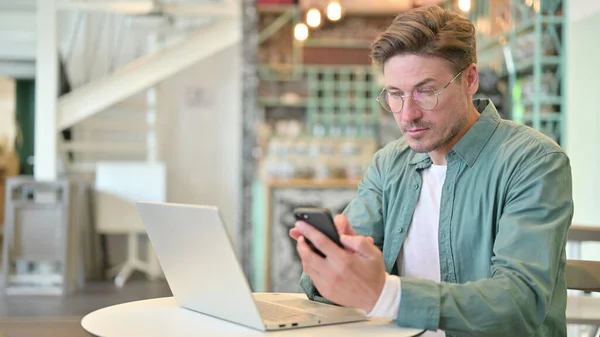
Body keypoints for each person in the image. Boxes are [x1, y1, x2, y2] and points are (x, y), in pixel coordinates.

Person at [289, 5, 573, 337]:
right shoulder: (389, 164)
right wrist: (328, 263)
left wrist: (385, 294)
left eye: (426, 91)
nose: (407, 115)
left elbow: (519, 303)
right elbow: (331, 284)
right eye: (395, 94)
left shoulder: (534, 161)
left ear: (469, 79)